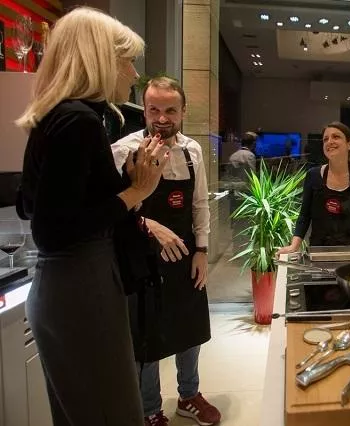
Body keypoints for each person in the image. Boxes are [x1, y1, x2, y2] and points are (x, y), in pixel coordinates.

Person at [15, 7, 171, 425]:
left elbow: (29, 204)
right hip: (82, 288)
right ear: (99, 58)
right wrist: (136, 191)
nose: (133, 74)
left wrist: (125, 183)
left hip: (58, 289)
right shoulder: (80, 122)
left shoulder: (54, 116)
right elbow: (52, 230)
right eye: (127, 60)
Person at [111, 76, 220, 426]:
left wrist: (201, 250)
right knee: (147, 337)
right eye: (154, 109)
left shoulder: (192, 151)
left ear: (183, 111)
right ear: (144, 110)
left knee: (190, 327)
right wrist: (148, 223)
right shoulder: (123, 150)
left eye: (170, 110)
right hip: (140, 259)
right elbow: (110, 209)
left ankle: (189, 395)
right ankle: (149, 410)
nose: (161, 118)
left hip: (185, 255)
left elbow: (199, 204)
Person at [278, 122, 350, 254]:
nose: (329, 142)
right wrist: (293, 246)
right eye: (325, 139)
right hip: (319, 251)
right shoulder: (313, 175)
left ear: (349, 144)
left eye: (336, 137)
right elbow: (304, 216)